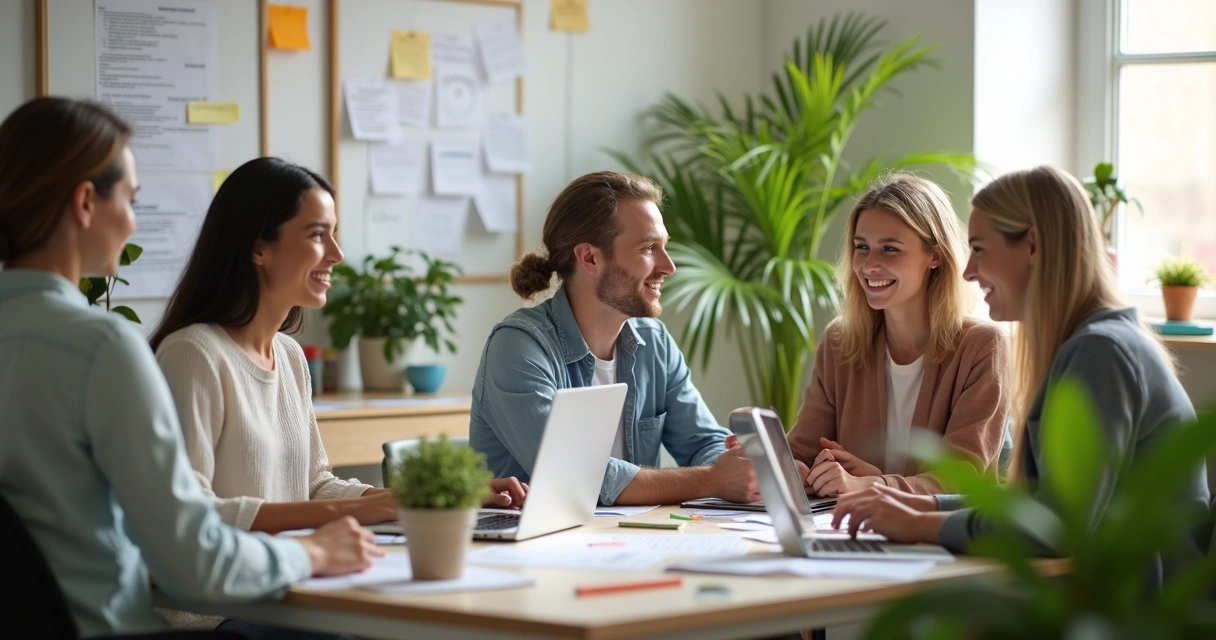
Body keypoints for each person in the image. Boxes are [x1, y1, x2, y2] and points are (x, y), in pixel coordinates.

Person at [0, 97, 380, 638]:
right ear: (85, 203)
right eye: (131, 200)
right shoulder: (100, 347)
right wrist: (310, 552)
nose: (134, 223)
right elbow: (190, 557)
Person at [148, 157, 528, 631]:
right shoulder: (193, 353)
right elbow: (193, 515)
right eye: (316, 235)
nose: (337, 253)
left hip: (287, 596)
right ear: (258, 248)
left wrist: (429, 500)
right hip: (218, 616)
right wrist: (358, 509)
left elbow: (316, 484)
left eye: (333, 233)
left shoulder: (287, 355)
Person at [830, 166, 1209, 587]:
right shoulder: (1091, 344)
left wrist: (920, 525)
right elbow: (1034, 504)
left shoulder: (1102, 352)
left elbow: (1056, 526)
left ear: (1031, 245)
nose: (969, 271)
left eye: (979, 249)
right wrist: (921, 506)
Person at [469, 171, 758, 506]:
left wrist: (743, 465)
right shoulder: (517, 346)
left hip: (627, 544)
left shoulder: (655, 342)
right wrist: (714, 479)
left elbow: (704, 442)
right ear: (590, 258)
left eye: (665, 247)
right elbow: (576, 477)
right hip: (531, 551)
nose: (669, 266)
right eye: (649, 248)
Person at [787, 174, 1008, 497]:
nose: (869, 265)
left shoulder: (982, 346)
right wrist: (792, 468)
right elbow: (802, 450)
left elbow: (963, 478)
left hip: (946, 541)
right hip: (853, 530)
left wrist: (877, 483)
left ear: (935, 256)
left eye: (890, 249)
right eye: (862, 247)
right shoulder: (840, 342)